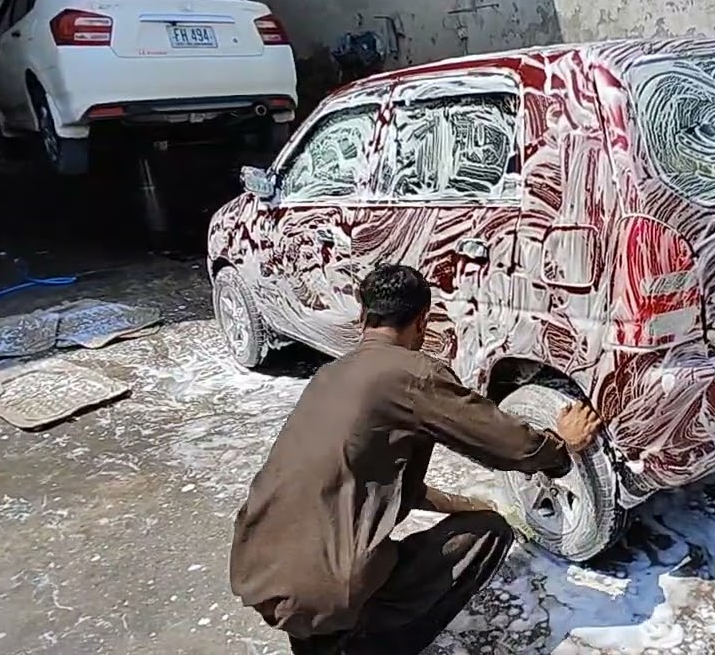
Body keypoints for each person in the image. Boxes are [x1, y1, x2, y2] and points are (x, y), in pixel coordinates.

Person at [228, 262, 607, 654]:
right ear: (423, 321)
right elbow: (502, 441)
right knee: (490, 532)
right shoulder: (411, 375)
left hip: (263, 572)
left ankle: (325, 636)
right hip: (328, 588)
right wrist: (560, 446)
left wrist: (462, 504)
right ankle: (368, 643)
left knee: (332, 576)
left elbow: (378, 483)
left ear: (363, 315)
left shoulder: (331, 375)